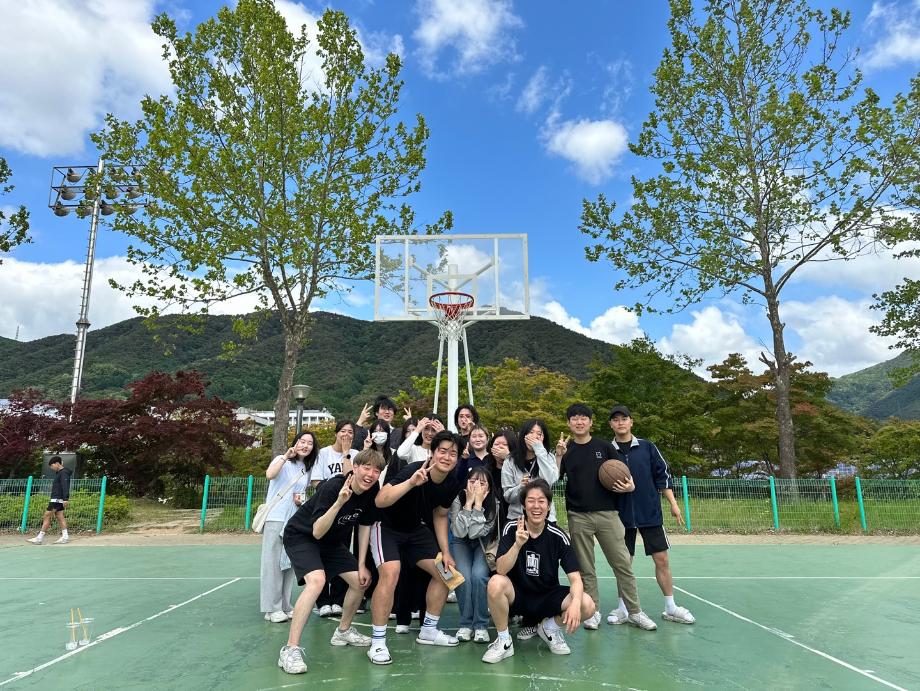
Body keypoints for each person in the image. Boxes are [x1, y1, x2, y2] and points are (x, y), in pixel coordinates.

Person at [277, 449, 386, 674]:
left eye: (376, 471)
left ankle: (343, 632)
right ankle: (290, 649)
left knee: (360, 581)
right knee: (317, 581)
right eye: (366, 468)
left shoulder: (372, 489)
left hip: (331, 542)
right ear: (355, 468)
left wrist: (361, 564)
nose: (371, 474)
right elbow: (317, 531)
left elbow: (365, 525)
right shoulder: (333, 487)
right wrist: (338, 503)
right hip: (302, 536)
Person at [367, 430, 464, 665]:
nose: (447, 457)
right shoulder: (413, 469)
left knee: (447, 573)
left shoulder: (453, 481)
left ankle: (428, 631)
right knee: (391, 573)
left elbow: (440, 515)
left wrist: (446, 552)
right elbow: (380, 500)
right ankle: (377, 642)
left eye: (453, 453)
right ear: (432, 453)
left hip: (415, 530)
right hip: (386, 526)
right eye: (442, 451)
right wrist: (411, 483)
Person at [559, 403, 657, 632]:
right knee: (586, 568)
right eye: (575, 418)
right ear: (569, 423)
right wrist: (558, 455)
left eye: (584, 418)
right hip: (578, 516)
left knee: (622, 564)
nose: (579, 422)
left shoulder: (604, 447)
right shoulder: (566, 450)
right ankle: (593, 611)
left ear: (591, 422)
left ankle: (635, 612)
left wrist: (630, 486)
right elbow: (554, 476)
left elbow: (623, 474)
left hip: (608, 514)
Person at [482, 479, 595, 663]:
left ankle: (549, 628)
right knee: (495, 583)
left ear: (548, 506)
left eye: (541, 501)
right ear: (524, 506)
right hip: (518, 595)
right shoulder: (512, 528)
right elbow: (500, 570)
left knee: (587, 604)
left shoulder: (558, 536)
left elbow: (575, 579)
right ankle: (504, 641)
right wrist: (518, 545)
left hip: (547, 596)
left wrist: (575, 604)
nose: (536, 506)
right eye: (531, 501)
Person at [607, 405, 695, 625]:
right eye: (616, 420)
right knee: (624, 563)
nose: (620, 423)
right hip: (621, 515)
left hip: (650, 511)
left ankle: (671, 607)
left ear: (631, 421)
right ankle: (623, 609)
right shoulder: (608, 450)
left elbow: (661, 476)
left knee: (662, 559)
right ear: (611, 424)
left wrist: (673, 504)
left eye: (624, 418)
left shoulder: (647, 447)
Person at [260, 432, 316, 623]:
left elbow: (300, 493)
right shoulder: (281, 460)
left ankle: (285, 605)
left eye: (310, 443)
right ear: (295, 443)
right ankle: (271, 608)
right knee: (272, 564)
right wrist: (285, 456)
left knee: (288, 563)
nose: (305, 445)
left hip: (293, 520)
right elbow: (270, 475)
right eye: (302, 441)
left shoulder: (307, 468)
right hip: (276, 518)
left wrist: (302, 500)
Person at [313, 420, 360, 616]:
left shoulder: (355, 454)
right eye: (343, 431)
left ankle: (338, 599)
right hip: (326, 508)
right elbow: (316, 481)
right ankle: (323, 601)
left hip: (346, 511)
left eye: (350, 432)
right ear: (336, 433)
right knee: (321, 553)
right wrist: (333, 490)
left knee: (342, 552)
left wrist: (346, 453)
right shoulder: (323, 453)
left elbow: (351, 477)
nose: (346, 435)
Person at [449, 466, 498, 643]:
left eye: (482, 483)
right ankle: (465, 624)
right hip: (460, 541)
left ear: (489, 488)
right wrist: (468, 504)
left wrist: (477, 506)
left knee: (478, 576)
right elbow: (459, 532)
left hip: (482, 543)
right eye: (472, 481)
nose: (476, 486)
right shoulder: (458, 499)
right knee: (463, 576)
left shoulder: (494, 504)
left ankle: (481, 625)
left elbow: (475, 533)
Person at [502, 419, 560, 525]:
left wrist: (539, 450)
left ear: (544, 438)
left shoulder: (549, 457)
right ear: (523, 436)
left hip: (545, 518)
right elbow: (507, 496)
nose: (534, 437)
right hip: (518, 518)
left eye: (539, 434)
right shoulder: (510, 461)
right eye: (531, 432)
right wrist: (521, 487)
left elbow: (550, 480)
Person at [27, 456, 72, 545]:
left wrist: (66, 499)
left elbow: (65, 485)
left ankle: (39, 538)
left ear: (57, 463)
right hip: (57, 499)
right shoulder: (60, 473)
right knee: (59, 516)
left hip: (57, 499)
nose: (51, 468)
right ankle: (65, 537)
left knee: (47, 515)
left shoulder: (63, 473)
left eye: (52, 466)